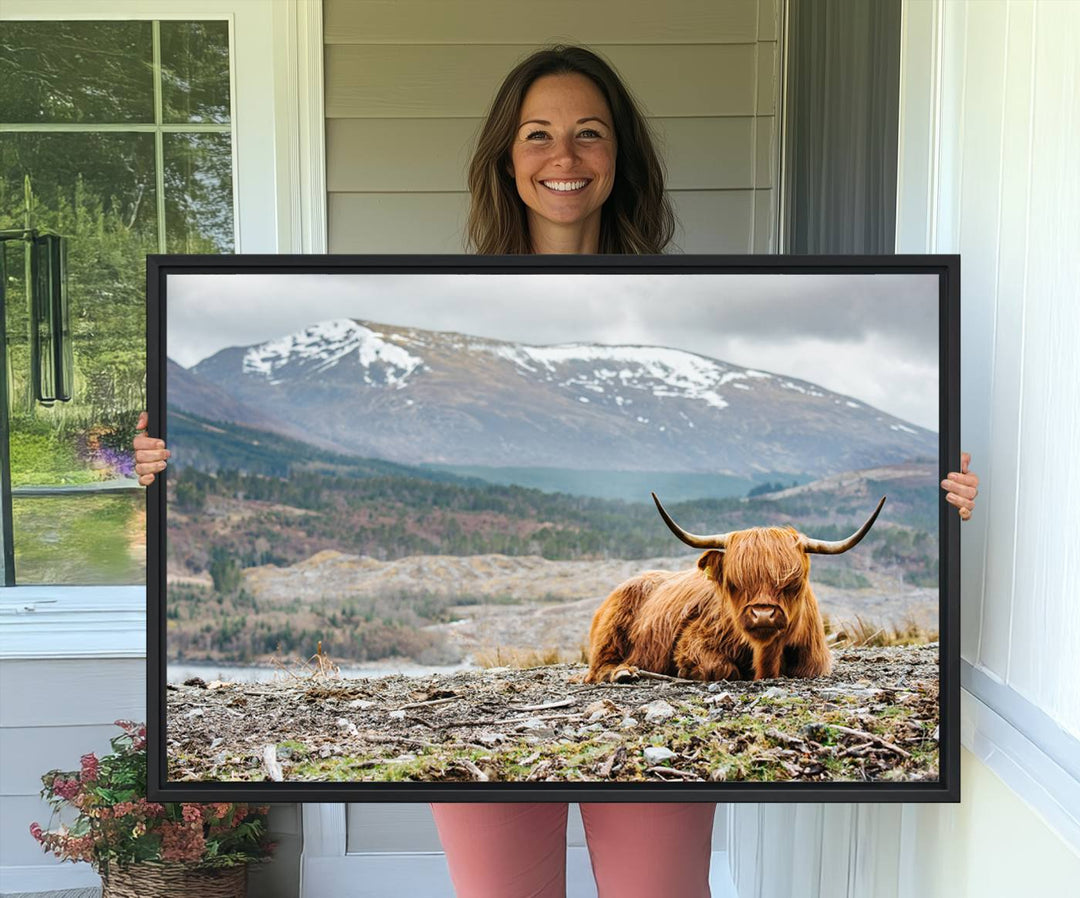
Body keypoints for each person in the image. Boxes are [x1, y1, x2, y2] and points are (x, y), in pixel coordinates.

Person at [133, 45, 979, 898]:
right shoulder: (435, 298)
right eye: (537, 134)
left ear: (621, 158)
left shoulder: (693, 299)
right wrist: (166, 468)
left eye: (589, 134)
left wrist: (947, 504)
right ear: (507, 156)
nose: (563, 157)